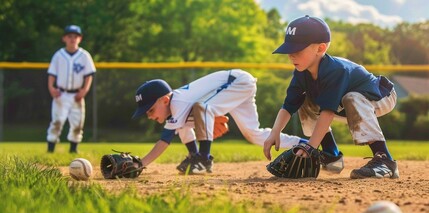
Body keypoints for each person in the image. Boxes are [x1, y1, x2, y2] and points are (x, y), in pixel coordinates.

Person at [263, 15, 399, 179]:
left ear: (320, 48)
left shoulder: (335, 70)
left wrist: (310, 148)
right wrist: (275, 132)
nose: (291, 55)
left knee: (352, 97)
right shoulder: (301, 73)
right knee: (305, 100)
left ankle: (385, 160)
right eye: (289, 50)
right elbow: (288, 106)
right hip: (346, 105)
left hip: (380, 96)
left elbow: (327, 113)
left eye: (297, 50)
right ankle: (331, 156)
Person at [132, 69, 308, 174]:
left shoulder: (177, 102)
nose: (149, 115)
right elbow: (181, 128)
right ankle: (305, 144)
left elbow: (164, 140)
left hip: (237, 81)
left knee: (204, 108)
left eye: (150, 109)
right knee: (254, 134)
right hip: (240, 83)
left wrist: (141, 164)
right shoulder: (176, 109)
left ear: (164, 100)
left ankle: (204, 159)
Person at [46, 25, 96, 153]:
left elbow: (89, 75)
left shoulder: (84, 55)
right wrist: (51, 88)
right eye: (70, 36)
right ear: (64, 38)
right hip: (61, 94)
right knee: (57, 121)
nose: (72, 39)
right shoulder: (59, 55)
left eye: (75, 36)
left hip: (77, 95)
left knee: (77, 123)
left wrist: (84, 90)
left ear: (80, 38)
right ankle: (50, 149)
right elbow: (52, 74)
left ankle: (73, 149)